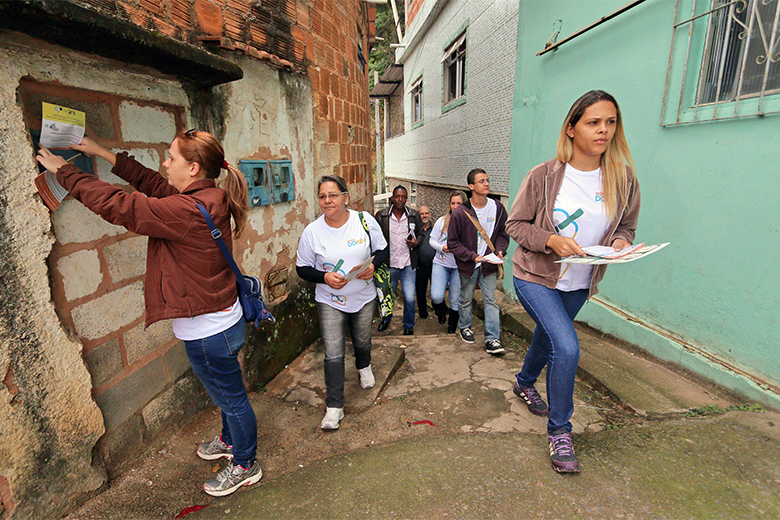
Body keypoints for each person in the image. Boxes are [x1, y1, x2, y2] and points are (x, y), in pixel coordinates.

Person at [36, 130, 262, 497]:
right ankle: (228, 439)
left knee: (231, 397)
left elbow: (123, 206)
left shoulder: (187, 210)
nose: (164, 163)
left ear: (192, 168)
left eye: (171, 158)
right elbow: (153, 184)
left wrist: (66, 171)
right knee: (225, 391)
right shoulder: (206, 196)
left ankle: (245, 463)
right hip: (222, 319)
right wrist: (101, 153)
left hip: (208, 330)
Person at [505, 90, 640, 473]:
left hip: (581, 280)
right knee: (566, 346)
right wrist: (550, 239)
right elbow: (515, 225)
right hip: (535, 275)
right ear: (571, 128)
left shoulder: (623, 179)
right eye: (593, 122)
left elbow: (625, 226)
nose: (604, 131)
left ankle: (524, 381)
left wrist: (619, 244)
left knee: (548, 337)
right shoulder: (544, 176)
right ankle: (560, 432)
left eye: (611, 122)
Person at [296, 175, 389, 430]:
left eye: (333, 195)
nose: (328, 201)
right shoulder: (312, 232)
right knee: (333, 352)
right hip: (329, 300)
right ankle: (334, 407)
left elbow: (382, 250)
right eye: (323, 196)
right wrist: (324, 277)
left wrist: (373, 267)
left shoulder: (364, 221)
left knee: (362, 339)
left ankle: (364, 365)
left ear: (345, 197)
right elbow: (302, 269)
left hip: (363, 296)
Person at [447, 169, 510, 355]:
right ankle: (465, 326)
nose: (486, 184)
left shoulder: (498, 208)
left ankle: (492, 339)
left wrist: (499, 250)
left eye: (487, 180)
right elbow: (453, 242)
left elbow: (503, 234)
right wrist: (470, 255)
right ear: (471, 186)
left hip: (489, 264)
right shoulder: (461, 213)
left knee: (490, 300)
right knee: (466, 298)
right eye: (482, 181)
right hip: (469, 264)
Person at [374, 186, 424, 335]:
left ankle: (408, 325)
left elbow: (422, 234)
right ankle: (386, 320)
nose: (400, 200)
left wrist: (416, 243)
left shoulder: (414, 215)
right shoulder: (382, 216)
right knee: (387, 297)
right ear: (392, 198)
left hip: (408, 263)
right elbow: (375, 237)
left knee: (409, 298)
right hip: (390, 264)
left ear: (406, 198)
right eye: (397, 197)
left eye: (403, 197)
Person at [429, 191, 467, 333]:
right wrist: (442, 248)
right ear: (449, 205)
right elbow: (431, 240)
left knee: (455, 299)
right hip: (441, 263)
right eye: (453, 203)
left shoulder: (469, 222)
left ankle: (451, 328)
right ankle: (440, 310)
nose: (455, 206)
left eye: (459, 203)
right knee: (437, 296)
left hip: (458, 266)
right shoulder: (441, 221)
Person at [415, 206, 435, 320]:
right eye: (422, 214)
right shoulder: (416, 230)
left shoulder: (436, 228)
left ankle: (439, 312)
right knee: (421, 292)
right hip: (420, 266)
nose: (424, 216)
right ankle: (423, 314)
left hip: (435, 266)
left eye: (426, 213)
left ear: (430, 214)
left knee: (436, 292)